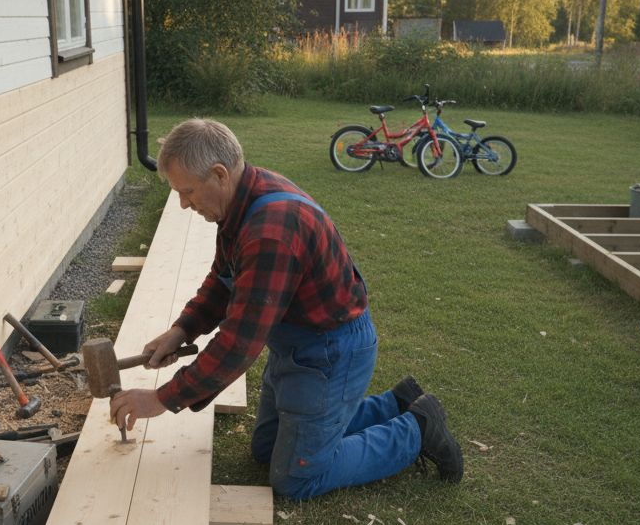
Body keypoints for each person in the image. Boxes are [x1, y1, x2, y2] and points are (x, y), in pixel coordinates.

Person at [109, 118, 464, 501]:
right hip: (298, 345)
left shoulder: (270, 230)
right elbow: (222, 278)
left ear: (219, 174)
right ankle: (395, 402)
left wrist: (162, 399)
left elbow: (239, 344)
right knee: (266, 449)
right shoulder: (241, 201)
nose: (184, 204)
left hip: (330, 353)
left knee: (296, 479)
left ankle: (416, 428)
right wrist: (182, 330)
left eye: (188, 192)